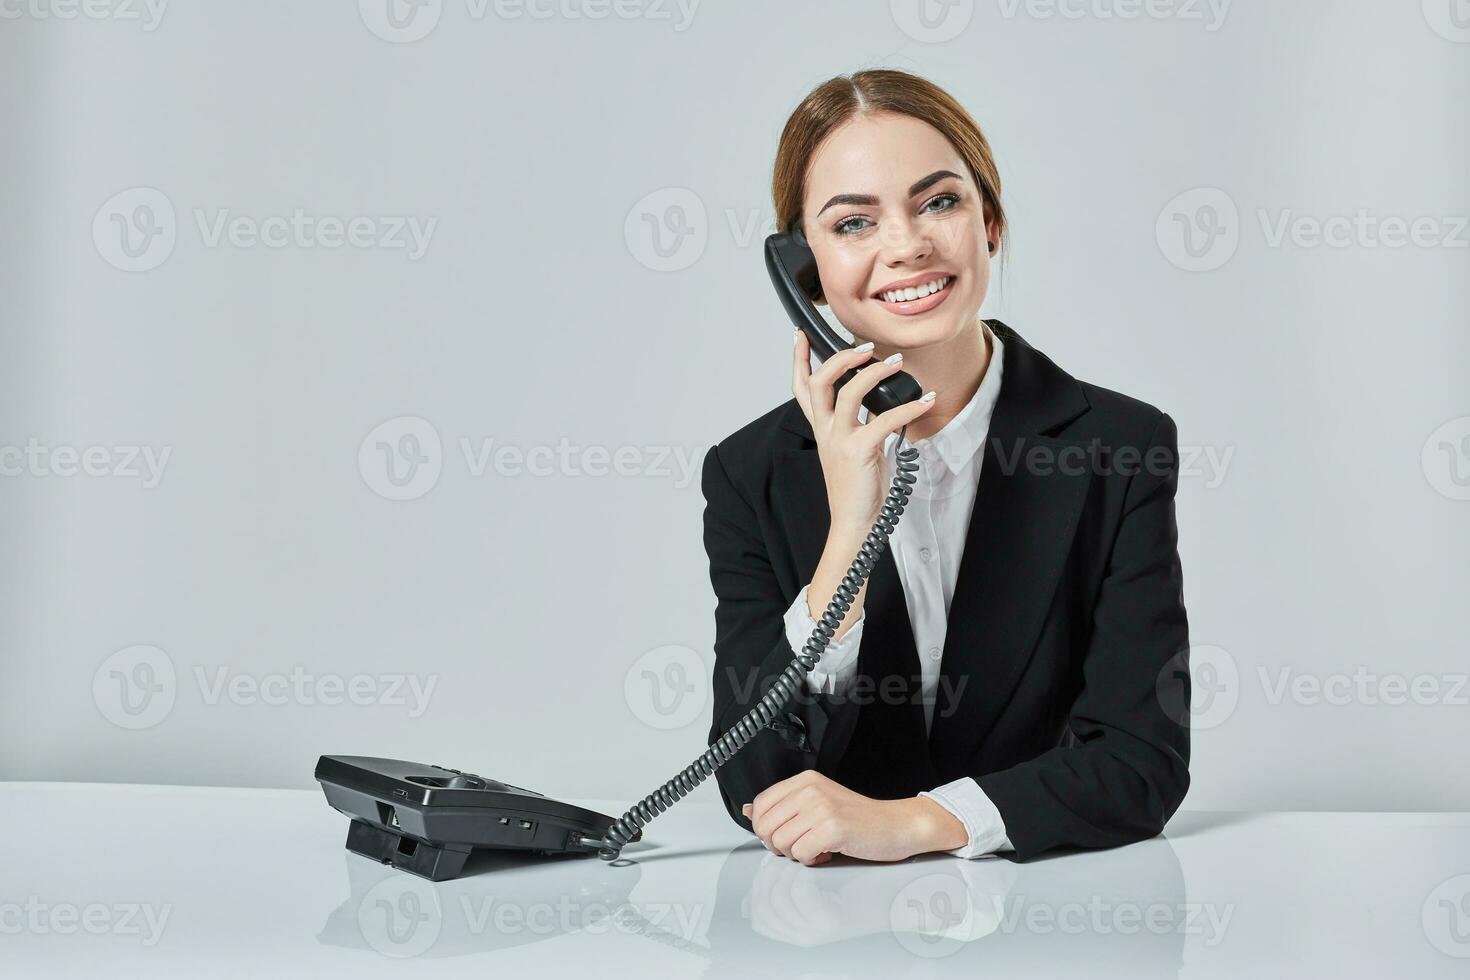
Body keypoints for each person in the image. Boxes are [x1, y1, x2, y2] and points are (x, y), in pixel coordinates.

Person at [701, 69, 1191, 866]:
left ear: (989, 221)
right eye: (854, 223)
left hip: (1048, 927)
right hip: (834, 939)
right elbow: (752, 778)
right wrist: (849, 534)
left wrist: (919, 823)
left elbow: (1142, 763)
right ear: (803, 270)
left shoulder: (1120, 448)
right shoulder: (748, 473)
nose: (907, 245)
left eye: (939, 202)